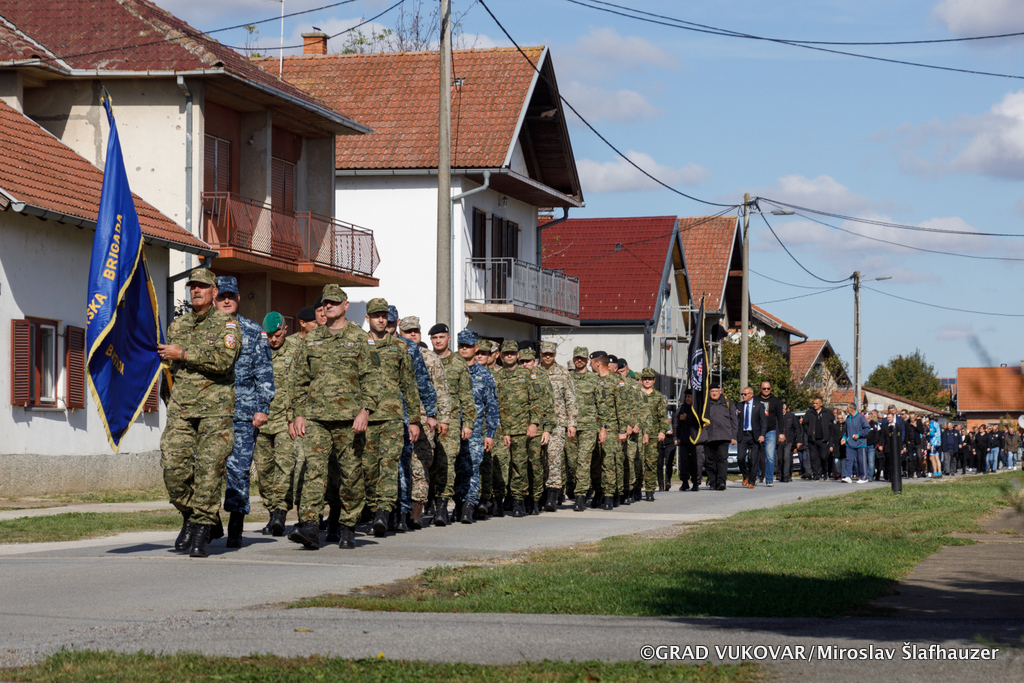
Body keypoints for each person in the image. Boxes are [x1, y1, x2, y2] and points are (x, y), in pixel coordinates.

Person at [289, 284, 380, 550]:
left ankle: (347, 526)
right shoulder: (312, 339)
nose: (328, 306)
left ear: (345, 305)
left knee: (350, 475)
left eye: (334, 302)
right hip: (316, 418)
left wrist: (365, 410)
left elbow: (372, 378)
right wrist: (298, 414)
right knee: (314, 472)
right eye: (325, 303)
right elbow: (299, 379)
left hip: (349, 421)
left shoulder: (360, 339)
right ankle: (309, 525)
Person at [157, 268, 240, 558]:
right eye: (193, 286)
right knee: (173, 469)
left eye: (202, 286)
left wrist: (183, 354)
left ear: (214, 292)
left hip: (215, 410)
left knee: (208, 470)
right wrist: (167, 399)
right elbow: (169, 370)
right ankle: (193, 515)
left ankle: (202, 527)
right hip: (181, 408)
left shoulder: (227, 325)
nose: (196, 290)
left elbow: (224, 361)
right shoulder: (178, 326)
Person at [213, 276, 275, 549]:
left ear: (238, 298)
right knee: (207, 470)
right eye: (221, 297)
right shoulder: (205, 331)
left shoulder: (253, 331)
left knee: (238, 472)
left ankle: (235, 526)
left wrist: (262, 408)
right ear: (214, 299)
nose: (226, 301)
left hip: (243, 414)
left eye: (231, 296)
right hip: (211, 414)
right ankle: (210, 521)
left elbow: (264, 373)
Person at [360, 298, 422, 538]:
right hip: (365, 418)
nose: (381, 320)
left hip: (392, 417)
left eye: (384, 315)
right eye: (376, 315)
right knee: (368, 468)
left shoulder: (399, 347)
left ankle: (383, 513)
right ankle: (374, 509)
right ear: (368, 318)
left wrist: (414, 420)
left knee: (389, 465)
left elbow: (409, 384)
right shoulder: (359, 344)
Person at [398, 317, 450, 528]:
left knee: (420, 464)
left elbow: (441, 389)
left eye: (416, 331)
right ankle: (397, 511)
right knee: (398, 466)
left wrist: (442, 418)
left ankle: (416, 510)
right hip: (398, 417)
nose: (412, 334)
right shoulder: (395, 352)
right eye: (408, 331)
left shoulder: (429, 357)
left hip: (423, 419)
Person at [254, 312, 299, 537]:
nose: (273, 339)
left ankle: (281, 511)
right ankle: (272, 513)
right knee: (264, 471)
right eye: (269, 335)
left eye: (277, 334)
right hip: (261, 422)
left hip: (284, 421)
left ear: (285, 329)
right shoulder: (258, 352)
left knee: (285, 467)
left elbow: (297, 388)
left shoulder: (295, 352)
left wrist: (293, 418)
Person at [493, 341, 548, 517]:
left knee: (520, 466)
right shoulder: (496, 377)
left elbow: (536, 401)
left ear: (517, 355)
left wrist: (534, 423)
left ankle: (519, 501)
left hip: (522, 428)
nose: (509, 355)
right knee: (502, 466)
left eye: (512, 353)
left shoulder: (527, 375)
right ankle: (500, 500)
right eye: (506, 353)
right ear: (501, 356)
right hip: (502, 429)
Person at [428, 324, 476, 526]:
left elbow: (467, 396)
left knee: (446, 463)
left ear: (448, 339)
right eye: (435, 337)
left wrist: (469, 423)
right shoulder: (426, 360)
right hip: (428, 419)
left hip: (452, 421)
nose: (438, 341)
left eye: (441, 337)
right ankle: (427, 504)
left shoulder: (458, 363)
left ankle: (442, 506)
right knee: (428, 463)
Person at [455, 330, 499, 523]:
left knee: (472, 468)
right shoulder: (452, 369)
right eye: (461, 346)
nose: (465, 349)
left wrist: (490, 433)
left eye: (469, 346)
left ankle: (468, 505)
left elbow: (492, 406)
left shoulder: (485, 374)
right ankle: (457, 504)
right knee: (454, 468)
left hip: (475, 429)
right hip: (453, 427)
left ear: (476, 347)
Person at [538, 341, 578, 511]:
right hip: (538, 423)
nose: (548, 356)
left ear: (555, 354)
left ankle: (553, 495)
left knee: (554, 457)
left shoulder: (563, 373)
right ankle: (540, 493)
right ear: (541, 354)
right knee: (540, 459)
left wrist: (572, 423)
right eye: (545, 354)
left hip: (558, 423)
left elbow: (570, 399)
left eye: (551, 354)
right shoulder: (534, 372)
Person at [587, 351, 627, 509]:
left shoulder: (616, 381)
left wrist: (622, 430)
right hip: (593, 427)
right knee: (595, 463)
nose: (589, 365)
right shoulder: (593, 381)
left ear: (597, 363)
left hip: (611, 427)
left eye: (591, 362)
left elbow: (622, 407)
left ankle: (610, 495)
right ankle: (599, 493)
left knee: (609, 463)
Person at [565, 346, 600, 510]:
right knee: (572, 463)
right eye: (576, 358)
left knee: (584, 460)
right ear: (573, 360)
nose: (579, 360)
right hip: (570, 426)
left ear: (587, 360)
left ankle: (580, 496)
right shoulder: (567, 378)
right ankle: (585, 487)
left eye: (582, 358)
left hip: (589, 427)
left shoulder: (594, 380)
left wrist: (602, 427)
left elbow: (601, 405)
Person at [638, 367, 671, 501]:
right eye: (645, 378)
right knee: (637, 463)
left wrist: (663, 431)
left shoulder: (658, 397)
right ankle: (636, 489)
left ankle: (650, 490)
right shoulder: (636, 394)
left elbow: (663, 416)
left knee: (651, 463)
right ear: (641, 380)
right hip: (637, 434)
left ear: (654, 380)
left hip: (653, 435)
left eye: (650, 379)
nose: (647, 381)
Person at [704, 383, 737, 491]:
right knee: (710, 461)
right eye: (712, 391)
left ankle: (721, 482)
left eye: (716, 391)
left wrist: (733, 436)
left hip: (724, 435)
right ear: (709, 393)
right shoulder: (705, 403)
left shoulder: (727, 402)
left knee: (722, 459)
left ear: (720, 392)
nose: (714, 393)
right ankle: (712, 482)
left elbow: (733, 419)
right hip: (709, 435)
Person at [753, 381, 785, 486]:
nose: (766, 390)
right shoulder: (755, 399)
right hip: (757, 431)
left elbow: (780, 418)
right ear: (760, 389)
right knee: (755, 455)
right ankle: (757, 475)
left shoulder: (776, 401)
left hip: (770, 431)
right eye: (764, 389)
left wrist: (781, 433)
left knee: (770, 456)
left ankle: (769, 478)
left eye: (768, 389)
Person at [736, 387, 763, 489]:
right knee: (740, 457)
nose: (743, 396)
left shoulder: (759, 405)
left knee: (753, 459)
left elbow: (763, 421)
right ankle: (745, 474)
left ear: (751, 395)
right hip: (743, 435)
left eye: (745, 394)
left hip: (754, 435)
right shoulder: (739, 405)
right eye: (742, 394)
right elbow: (735, 419)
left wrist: (762, 435)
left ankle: (751, 481)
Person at [803, 397, 835, 481]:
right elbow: (804, 423)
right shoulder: (809, 413)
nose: (815, 405)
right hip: (813, 440)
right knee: (813, 458)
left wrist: (829, 438)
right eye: (814, 403)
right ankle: (815, 474)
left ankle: (825, 472)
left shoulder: (827, 412)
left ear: (821, 404)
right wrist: (809, 432)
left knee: (824, 457)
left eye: (816, 403)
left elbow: (832, 425)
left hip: (823, 440)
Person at [674, 391, 701, 491]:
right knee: (683, 462)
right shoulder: (681, 408)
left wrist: (687, 418)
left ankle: (695, 482)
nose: (687, 399)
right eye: (686, 397)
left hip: (695, 439)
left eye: (689, 396)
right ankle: (684, 482)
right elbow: (676, 424)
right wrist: (675, 437)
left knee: (695, 462)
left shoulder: (697, 409)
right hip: (683, 439)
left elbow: (699, 421)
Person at [840, 404, 870, 483]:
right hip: (849, 443)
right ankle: (848, 476)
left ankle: (864, 477)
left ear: (852, 408)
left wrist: (859, 435)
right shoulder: (848, 418)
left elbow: (867, 428)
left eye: (847, 408)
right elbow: (847, 430)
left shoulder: (860, 417)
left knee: (861, 461)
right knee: (849, 460)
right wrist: (844, 438)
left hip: (860, 443)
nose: (846, 409)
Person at [779, 403, 798, 483]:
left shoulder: (791, 416)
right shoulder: (777, 416)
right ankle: (780, 474)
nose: (782, 410)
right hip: (779, 441)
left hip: (789, 441)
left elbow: (796, 428)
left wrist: (797, 440)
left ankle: (786, 475)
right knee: (780, 458)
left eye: (784, 408)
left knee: (786, 457)